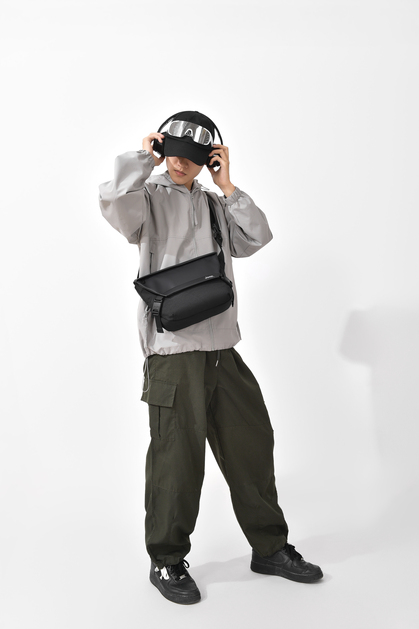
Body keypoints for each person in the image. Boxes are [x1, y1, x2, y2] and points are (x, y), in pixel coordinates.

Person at [98, 110, 323, 605]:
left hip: (222, 346)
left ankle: (270, 548)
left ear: (207, 160)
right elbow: (112, 201)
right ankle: (165, 559)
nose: (181, 163)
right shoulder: (147, 197)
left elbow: (257, 237)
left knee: (252, 444)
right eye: (174, 153)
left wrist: (228, 186)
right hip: (173, 349)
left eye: (193, 157)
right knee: (177, 460)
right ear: (163, 151)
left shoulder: (215, 203)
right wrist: (142, 158)